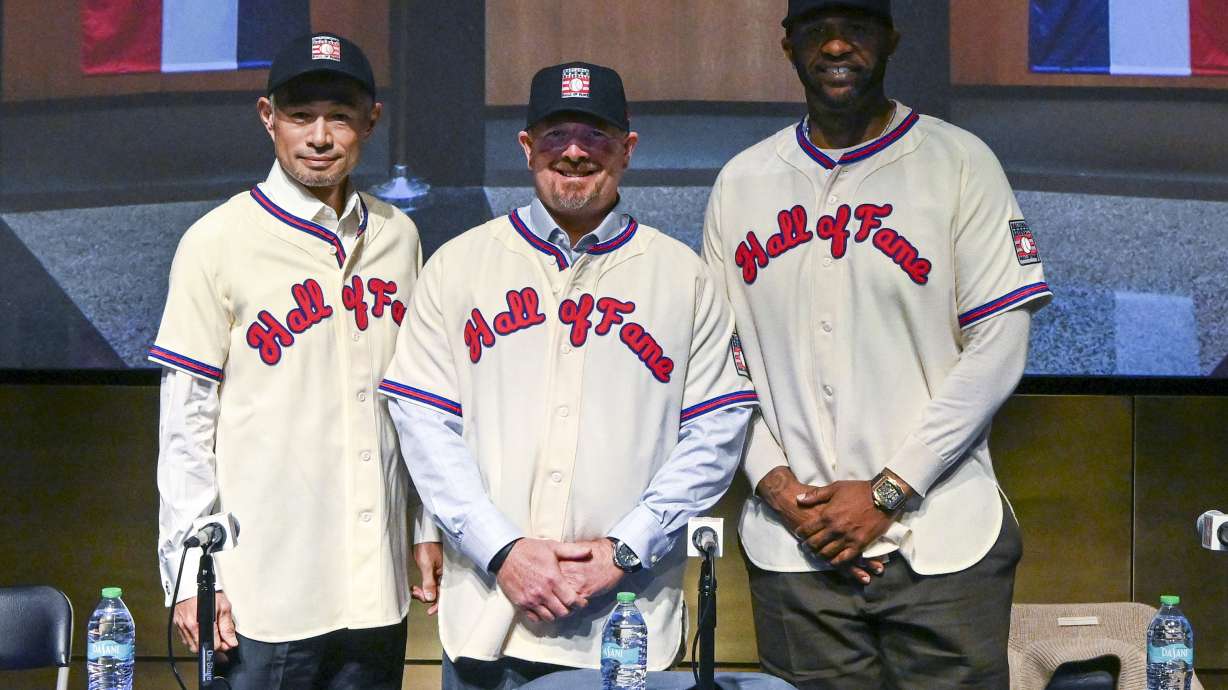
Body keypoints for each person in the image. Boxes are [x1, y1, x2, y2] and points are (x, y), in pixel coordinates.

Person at [702, 1, 1053, 688]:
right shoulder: (741, 181)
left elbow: (1001, 343)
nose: (837, 45)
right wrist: (778, 488)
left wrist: (890, 489)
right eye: (817, 30)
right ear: (789, 44)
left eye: (856, 28)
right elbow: (715, 360)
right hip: (796, 553)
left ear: (889, 40)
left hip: (943, 539)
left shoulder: (958, 163)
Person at [380, 61, 757, 688]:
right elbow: (423, 426)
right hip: (488, 618)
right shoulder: (458, 266)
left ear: (628, 149)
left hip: (627, 623)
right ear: (526, 147)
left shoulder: (683, 277)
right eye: (556, 134)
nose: (576, 152)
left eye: (597, 135)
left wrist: (624, 549)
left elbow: (716, 434)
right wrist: (503, 551)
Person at [152, 33, 424, 689]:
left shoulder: (398, 236)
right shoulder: (216, 242)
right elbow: (186, 421)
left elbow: (416, 403)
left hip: (373, 589)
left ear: (372, 121)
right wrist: (191, 573)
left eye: (340, 115)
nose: (320, 135)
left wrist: (424, 526)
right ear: (268, 117)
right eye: (301, 115)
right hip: (262, 593)